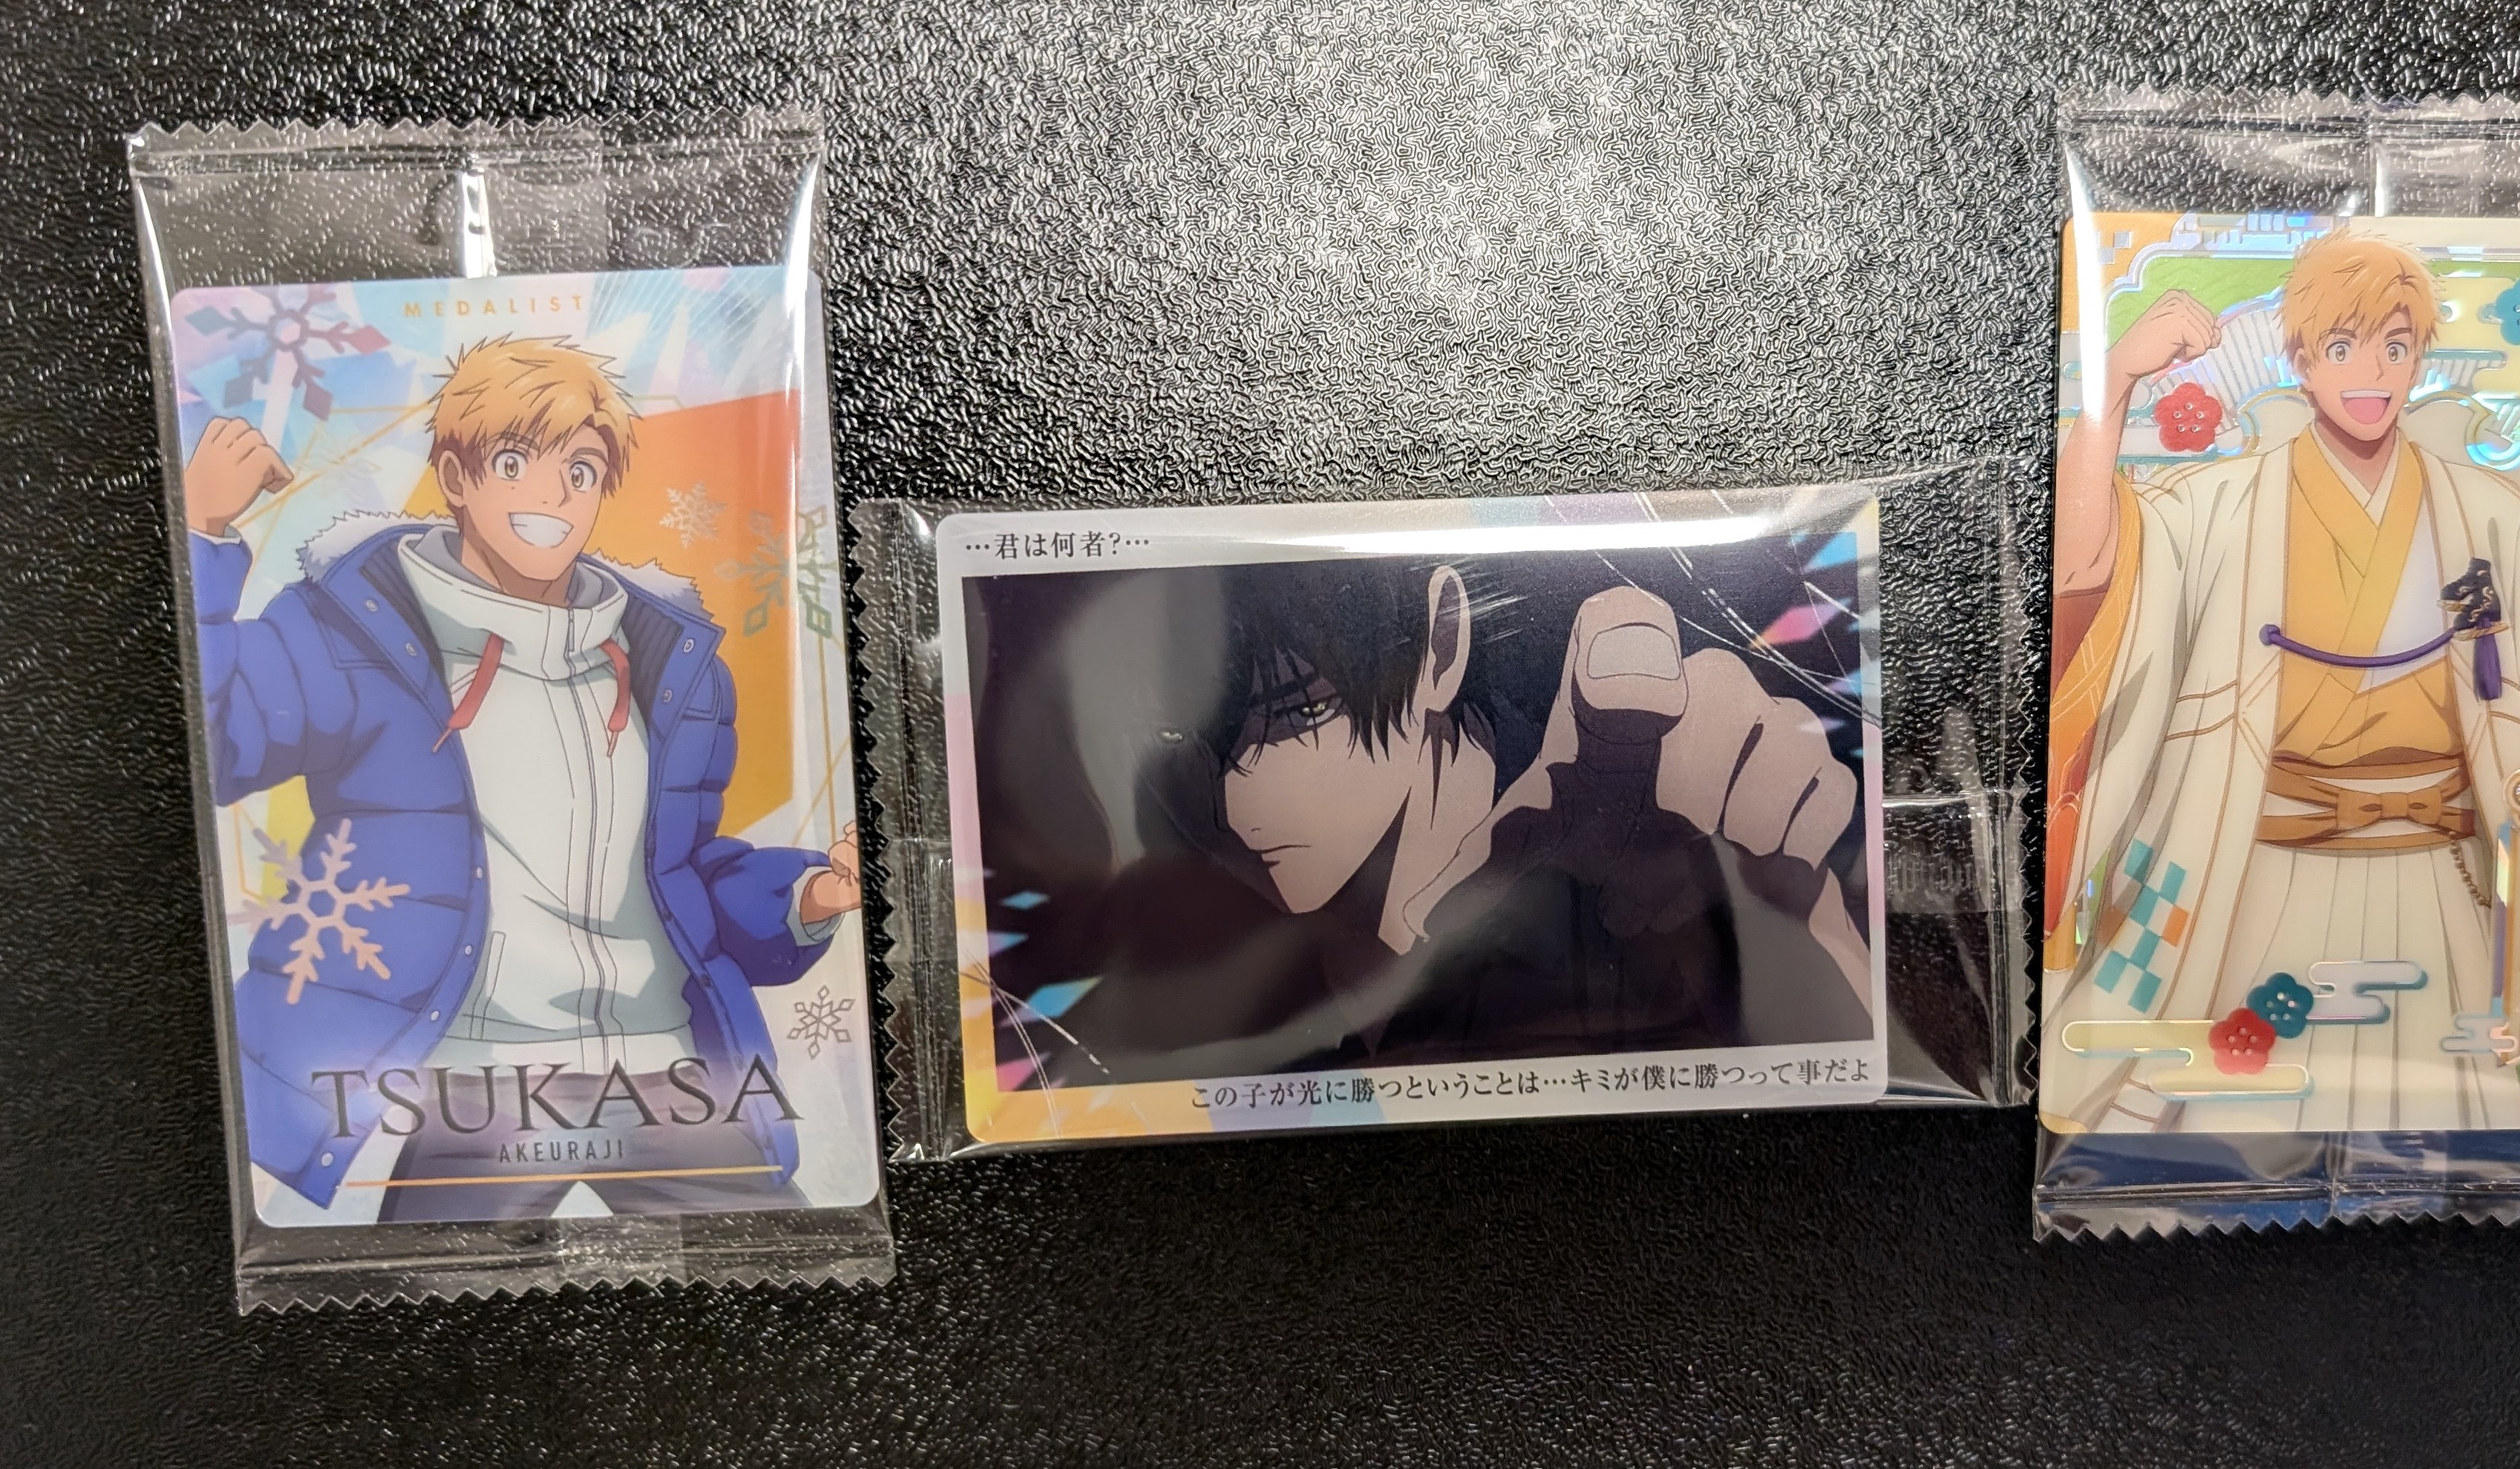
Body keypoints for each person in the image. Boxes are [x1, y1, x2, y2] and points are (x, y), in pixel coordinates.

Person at [187, 336, 860, 1220]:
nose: (551, 495)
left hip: (663, 1076)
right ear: (455, 478)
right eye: (514, 462)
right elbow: (211, 739)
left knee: (783, 1273)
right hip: (479, 1088)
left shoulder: (672, 666)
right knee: (420, 1297)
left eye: (580, 470)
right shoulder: (350, 637)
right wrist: (202, 528)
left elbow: (681, 877)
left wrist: (809, 894)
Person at [2043, 229, 2520, 1133]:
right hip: (2261, 871)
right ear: (2299, 362)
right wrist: (2111, 386)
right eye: (2339, 347)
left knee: (2477, 1124)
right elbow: (2086, 568)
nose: (2370, 372)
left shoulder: (2483, 510)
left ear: (2418, 360)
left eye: (2394, 346)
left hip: (2444, 879)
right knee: (2235, 1124)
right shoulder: (2222, 504)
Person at [996, 551, 1878, 1084]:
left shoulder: (1613, 836)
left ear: (1440, 642)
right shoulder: (1200, 935)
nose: (1237, 799)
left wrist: (1797, 924)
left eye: (1297, 714)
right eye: (1194, 741)